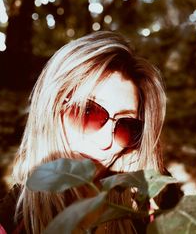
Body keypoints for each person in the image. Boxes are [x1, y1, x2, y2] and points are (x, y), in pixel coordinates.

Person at [0, 31, 182, 233]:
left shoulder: (154, 195)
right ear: (51, 107)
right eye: (89, 111)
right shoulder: (16, 217)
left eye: (126, 125)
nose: (105, 142)